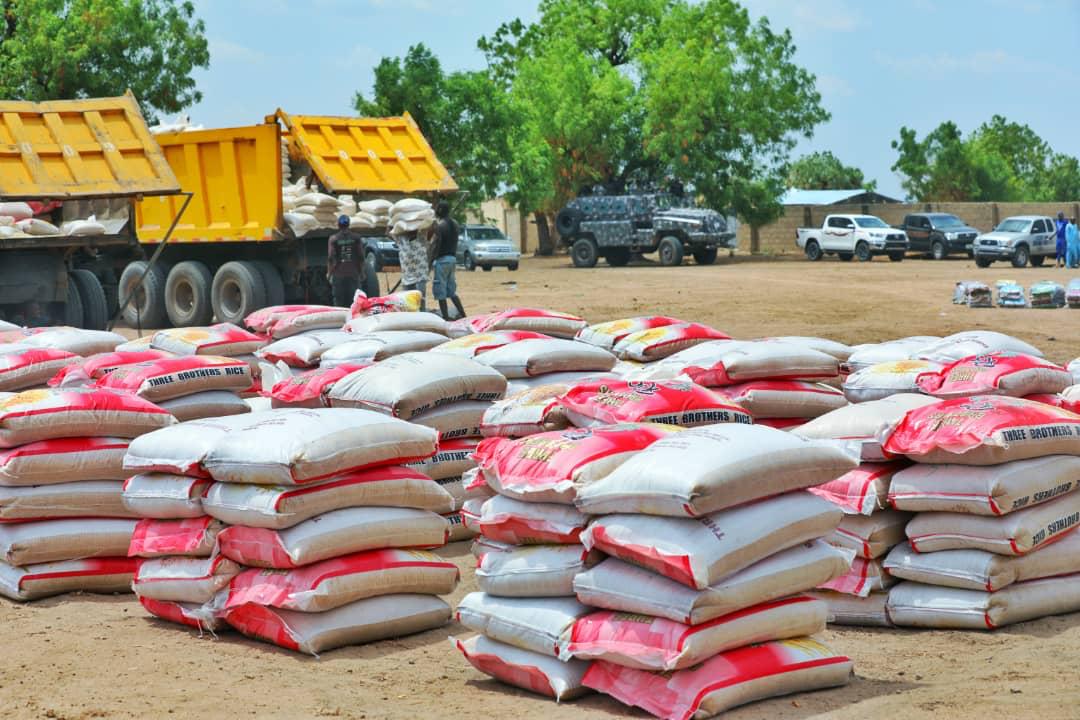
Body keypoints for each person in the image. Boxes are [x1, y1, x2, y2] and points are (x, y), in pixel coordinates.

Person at [428, 200, 466, 320]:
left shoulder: (440, 226)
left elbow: (437, 246)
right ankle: (463, 315)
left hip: (442, 260)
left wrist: (430, 261)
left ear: (439, 211)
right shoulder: (455, 224)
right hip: (452, 259)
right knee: (451, 291)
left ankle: (445, 318)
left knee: (440, 291)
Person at [327, 215, 364, 307]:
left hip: (338, 274)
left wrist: (329, 273)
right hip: (353, 273)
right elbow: (361, 256)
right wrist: (361, 272)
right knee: (354, 300)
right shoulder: (356, 238)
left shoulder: (333, 239)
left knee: (339, 300)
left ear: (338, 225)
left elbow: (330, 257)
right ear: (349, 224)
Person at [394, 227, 429, 312]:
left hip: (420, 275)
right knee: (407, 302)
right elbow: (388, 232)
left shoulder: (421, 237)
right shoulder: (401, 240)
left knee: (420, 300)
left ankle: (422, 316)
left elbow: (432, 227)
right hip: (407, 276)